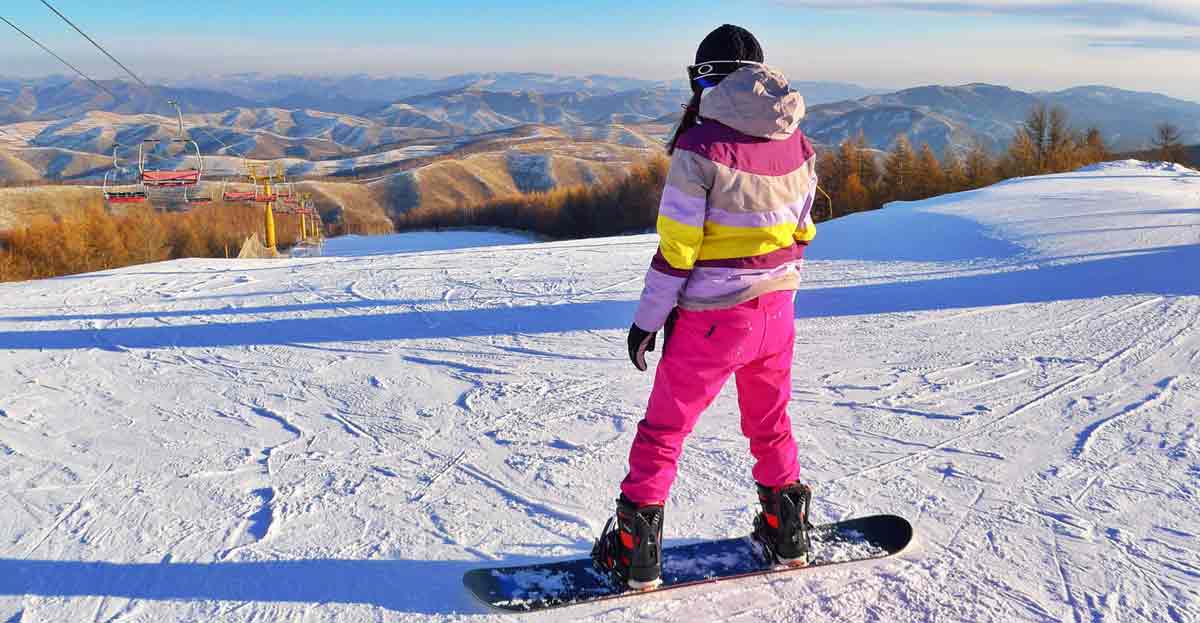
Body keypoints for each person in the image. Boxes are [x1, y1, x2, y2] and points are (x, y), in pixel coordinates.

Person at [592, 24, 819, 589]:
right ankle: (786, 531)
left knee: (664, 429)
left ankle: (634, 551)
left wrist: (647, 322)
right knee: (770, 423)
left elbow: (677, 252)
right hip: (778, 309)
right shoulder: (797, 141)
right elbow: (804, 229)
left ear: (705, 79)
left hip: (716, 318)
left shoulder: (699, 149)